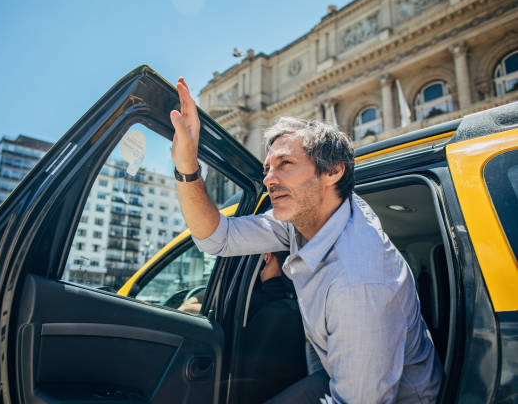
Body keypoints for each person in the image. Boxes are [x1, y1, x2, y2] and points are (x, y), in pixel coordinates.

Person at [169, 77, 442, 403]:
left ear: (333, 172)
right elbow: (218, 238)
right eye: (268, 167)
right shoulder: (308, 217)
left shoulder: (360, 283)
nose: (269, 178)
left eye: (286, 164)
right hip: (331, 376)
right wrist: (186, 164)